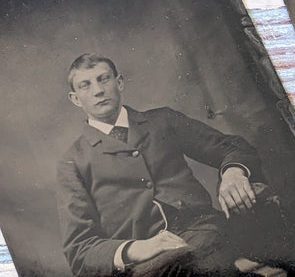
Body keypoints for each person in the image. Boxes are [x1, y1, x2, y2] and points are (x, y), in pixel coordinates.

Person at [56, 53, 275, 277]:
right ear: (75, 99)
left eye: (104, 79)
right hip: (148, 261)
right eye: (85, 85)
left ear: (119, 82)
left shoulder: (162, 121)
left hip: (204, 230)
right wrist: (135, 249)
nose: (98, 90)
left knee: (210, 245)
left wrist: (233, 172)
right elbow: (79, 251)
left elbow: (233, 146)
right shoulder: (73, 162)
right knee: (188, 260)